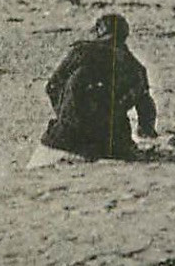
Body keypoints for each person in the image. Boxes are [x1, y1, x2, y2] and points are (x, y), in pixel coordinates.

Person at [32, 13, 159, 164]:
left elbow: (52, 86)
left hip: (60, 139)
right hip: (106, 144)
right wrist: (145, 132)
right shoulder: (135, 68)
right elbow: (146, 110)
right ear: (125, 35)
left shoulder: (80, 52)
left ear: (99, 32)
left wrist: (67, 115)